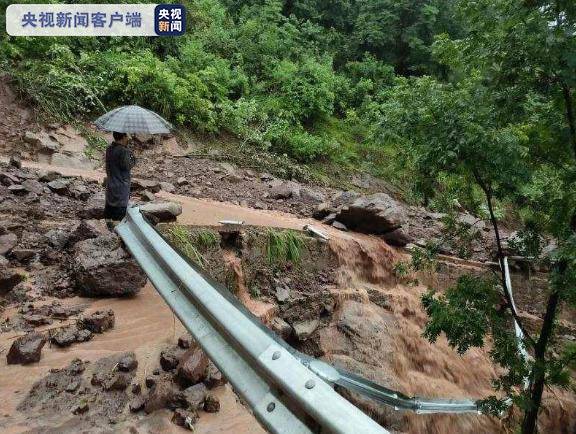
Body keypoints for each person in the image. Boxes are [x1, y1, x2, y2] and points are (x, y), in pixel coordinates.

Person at [104, 131, 136, 221]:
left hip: (110, 186)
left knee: (109, 215)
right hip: (121, 188)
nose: (129, 138)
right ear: (124, 136)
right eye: (128, 135)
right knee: (119, 219)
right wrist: (132, 156)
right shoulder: (124, 151)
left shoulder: (109, 149)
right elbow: (127, 166)